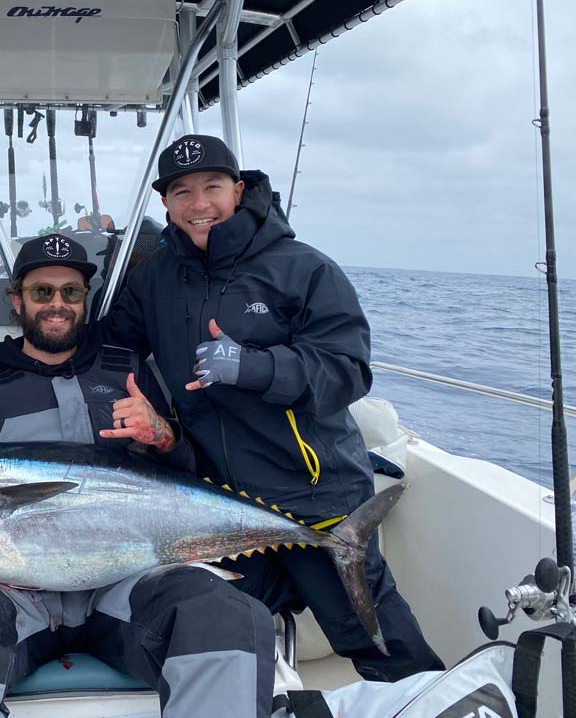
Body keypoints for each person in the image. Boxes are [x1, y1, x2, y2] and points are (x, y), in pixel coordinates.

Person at [0, 234, 277, 718]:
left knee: (226, 613)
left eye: (71, 293)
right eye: (42, 292)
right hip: (12, 596)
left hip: (128, 587)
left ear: (84, 300)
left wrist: (164, 436)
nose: (57, 304)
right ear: (17, 299)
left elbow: (182, 484)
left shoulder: (129, 372)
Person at [100, 133, 444, 682]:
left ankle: (427, 698)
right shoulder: (155, 278)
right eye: (182, 192)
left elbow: (347, 371)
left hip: (311, 495)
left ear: (239, 190)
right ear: (165, 204)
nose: (199, 204)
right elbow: (113, 348)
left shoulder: (303, 268)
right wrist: (28, 359)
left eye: (212, 186)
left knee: (372, 636)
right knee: (226, 631)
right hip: (212, 501)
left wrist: (254, 365)